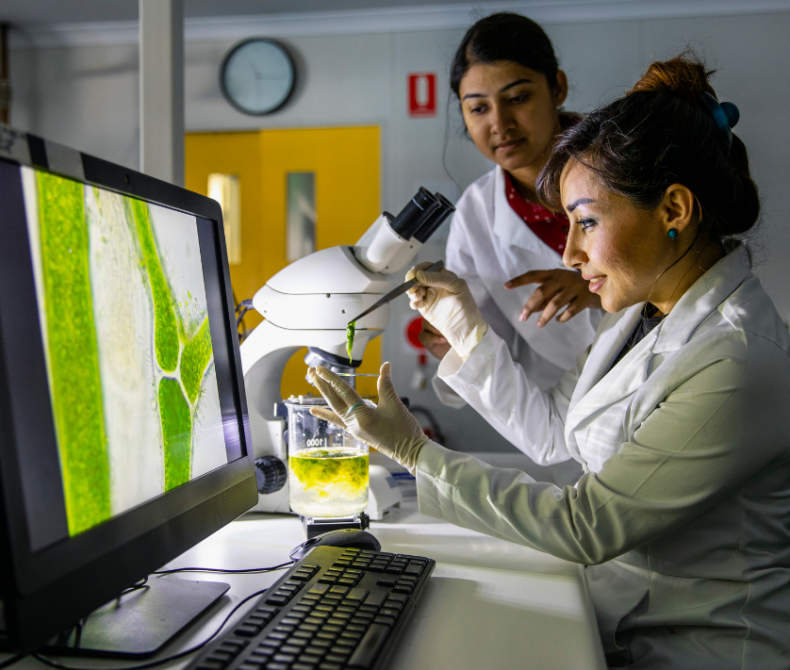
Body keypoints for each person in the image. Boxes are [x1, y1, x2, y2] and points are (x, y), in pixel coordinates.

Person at [309, 55, 790, 668]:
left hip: (705, 650)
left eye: (586, 222)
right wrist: (469, 332)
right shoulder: (636, 320)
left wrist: (416, 453)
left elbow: (587, 524)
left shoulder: (737, 359)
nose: (568, 252)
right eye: (568, 224)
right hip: (624, 624)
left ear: (674, 210)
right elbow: (555, 431)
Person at [427, 13, 600, 469]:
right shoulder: (477, 213)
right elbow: (491, 340)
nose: (499, 123)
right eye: (478, 107)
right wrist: (454, 339)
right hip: (567, 423)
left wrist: (597, 290)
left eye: (518, 97)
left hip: (667, 388)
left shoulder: (623, 168)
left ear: (557, 87)